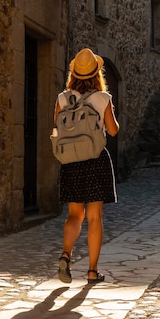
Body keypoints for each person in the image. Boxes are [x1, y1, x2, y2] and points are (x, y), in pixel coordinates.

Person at [54, 48, 119, 285]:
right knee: (94, 218)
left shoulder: (62, 98)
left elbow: (57, 130)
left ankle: (65, 255)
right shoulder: (103, 99)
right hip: (95, 161)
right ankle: (92, 271)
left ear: (74, 74)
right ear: (96, 74)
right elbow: (112, 131)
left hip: (71, 162)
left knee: (74, 214)